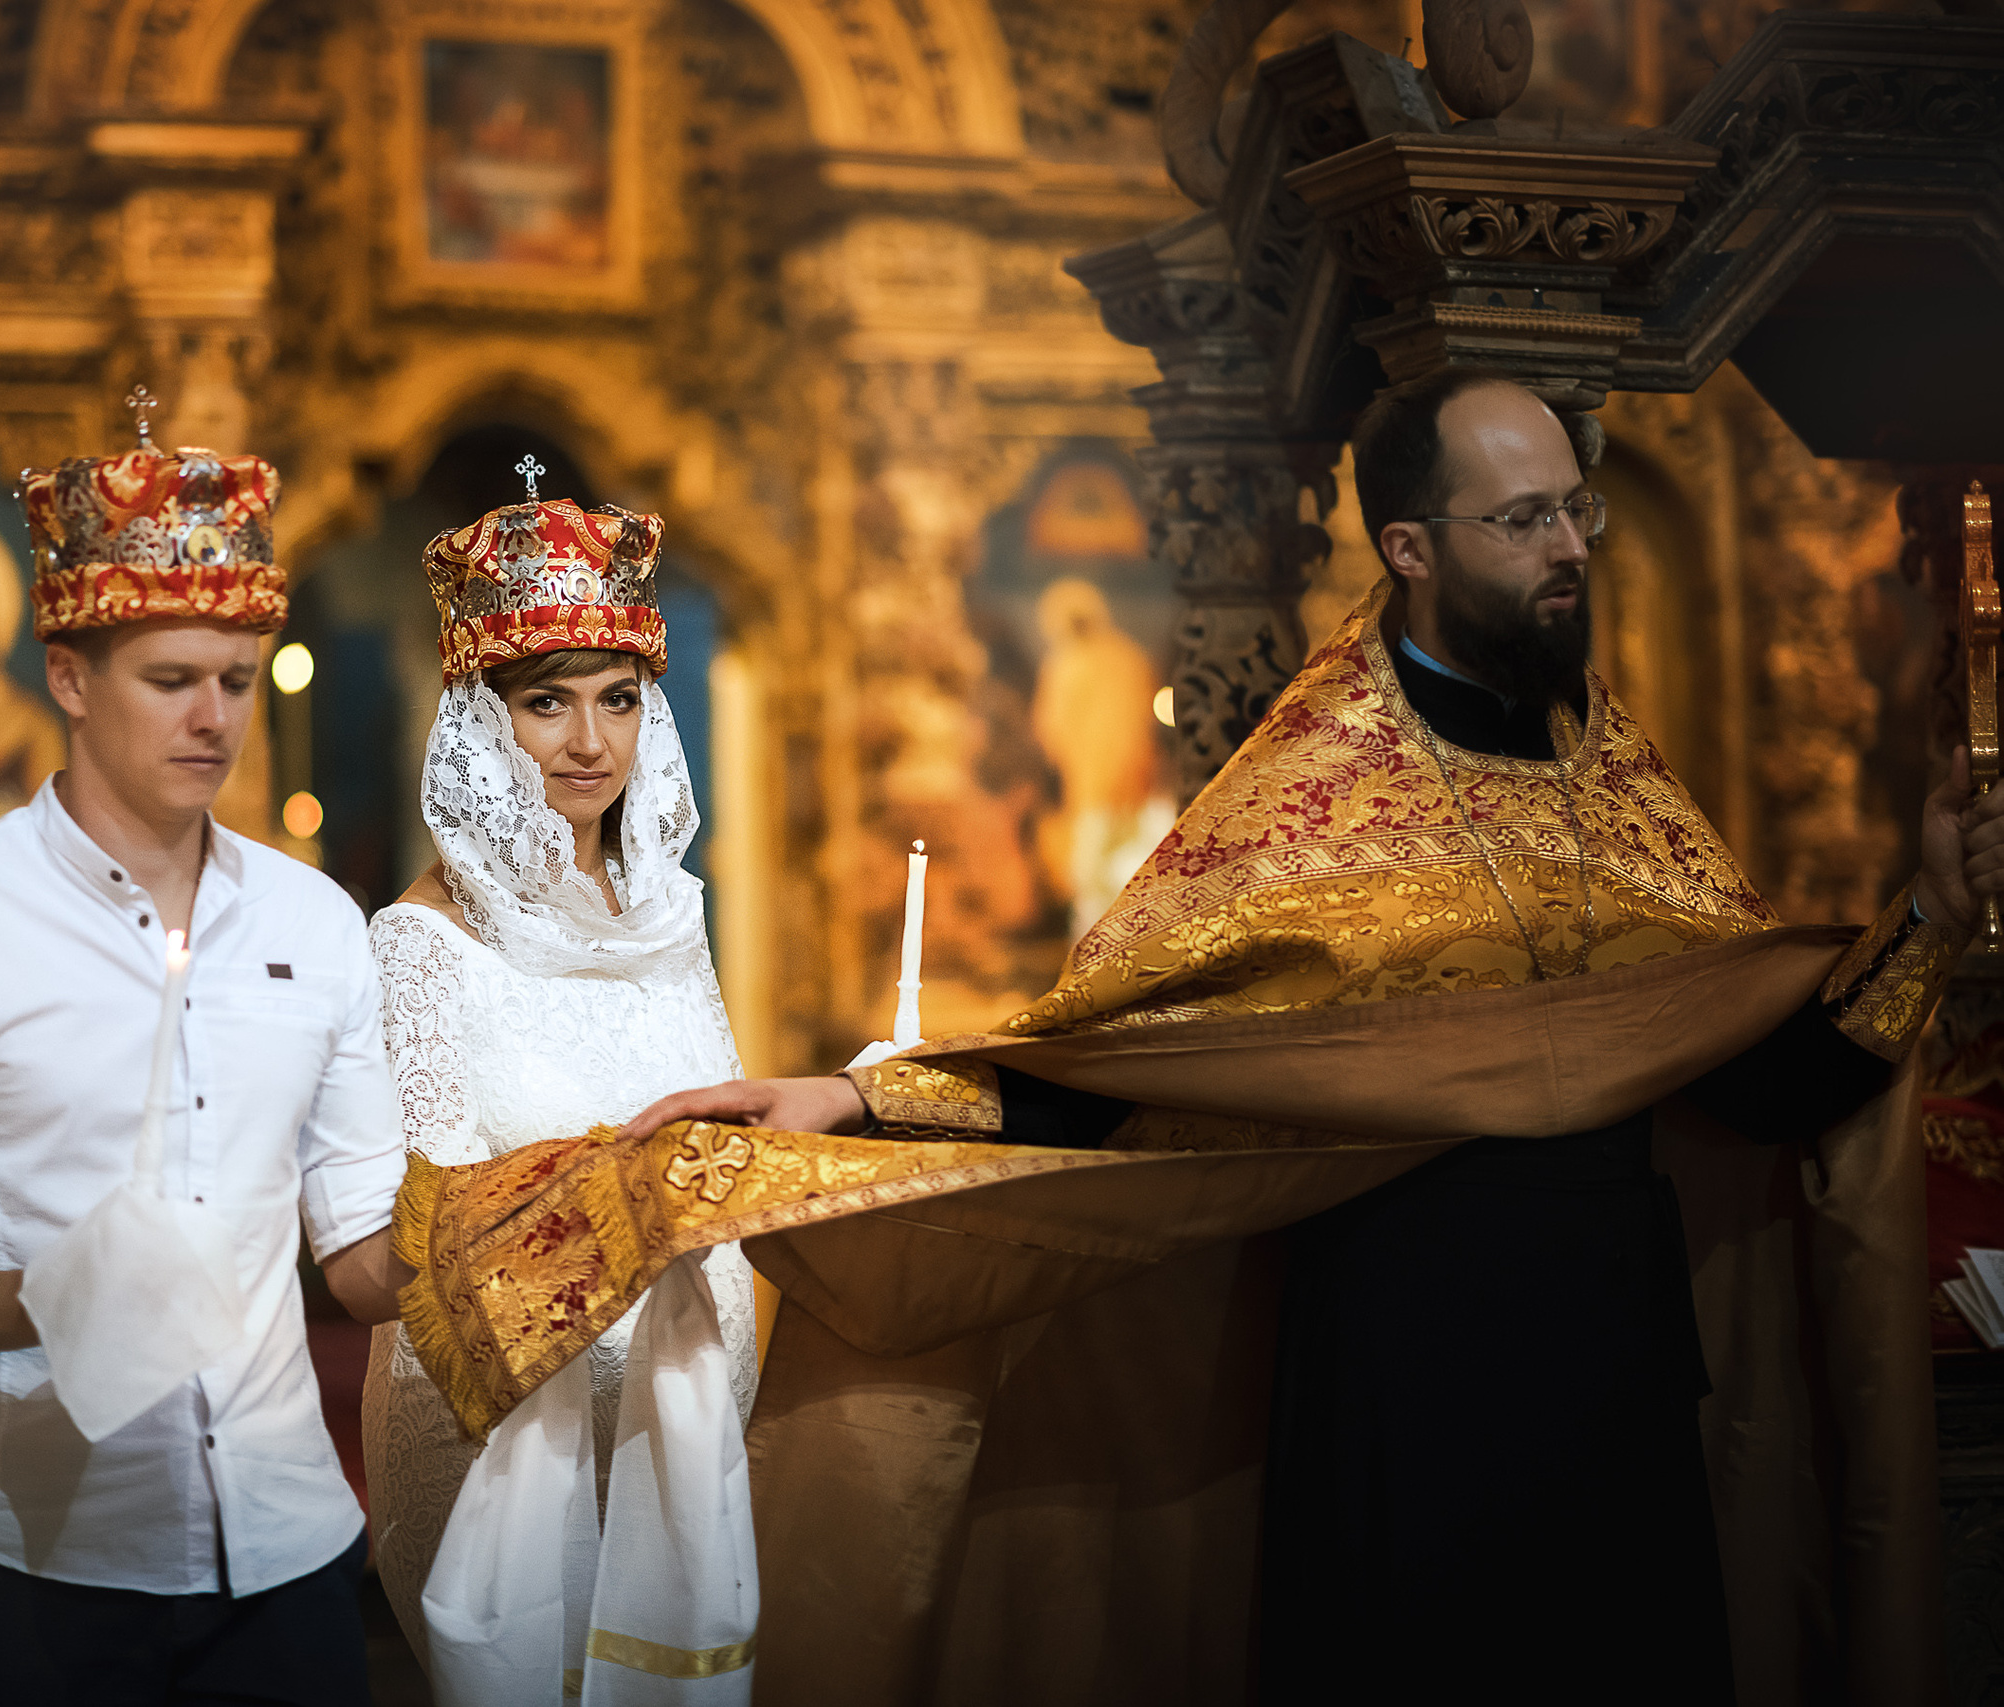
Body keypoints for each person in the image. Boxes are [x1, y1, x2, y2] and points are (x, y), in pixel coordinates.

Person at [619, 368, 2004, 1704]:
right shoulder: (1314, 785)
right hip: (1406, 1398)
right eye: (1523, 520)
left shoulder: (1618, 776)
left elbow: (1759, 1086)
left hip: (1623, 1388)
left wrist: (1931, 904)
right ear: (1409, 545)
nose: (1569, 544)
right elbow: (1151, 1065)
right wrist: (865, 1104)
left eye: (1578, 509)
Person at [0, 418, 414, 1707]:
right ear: (68, 678)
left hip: (292, 1561)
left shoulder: (317, 924)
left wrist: (549, 1213)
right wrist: (42, 1305)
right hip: (44, 1568)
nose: (215, 718)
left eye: (239, 680)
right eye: (172, 678)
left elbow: (360, 1259)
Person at [362, 481, 762, 1701]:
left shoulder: (670, 924)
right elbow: (423, 1228)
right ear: (481, 725)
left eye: (618, 702)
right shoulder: (419, 944)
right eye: (546, 704)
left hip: (685, 1422)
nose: (590, 744)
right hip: (495, 1438)